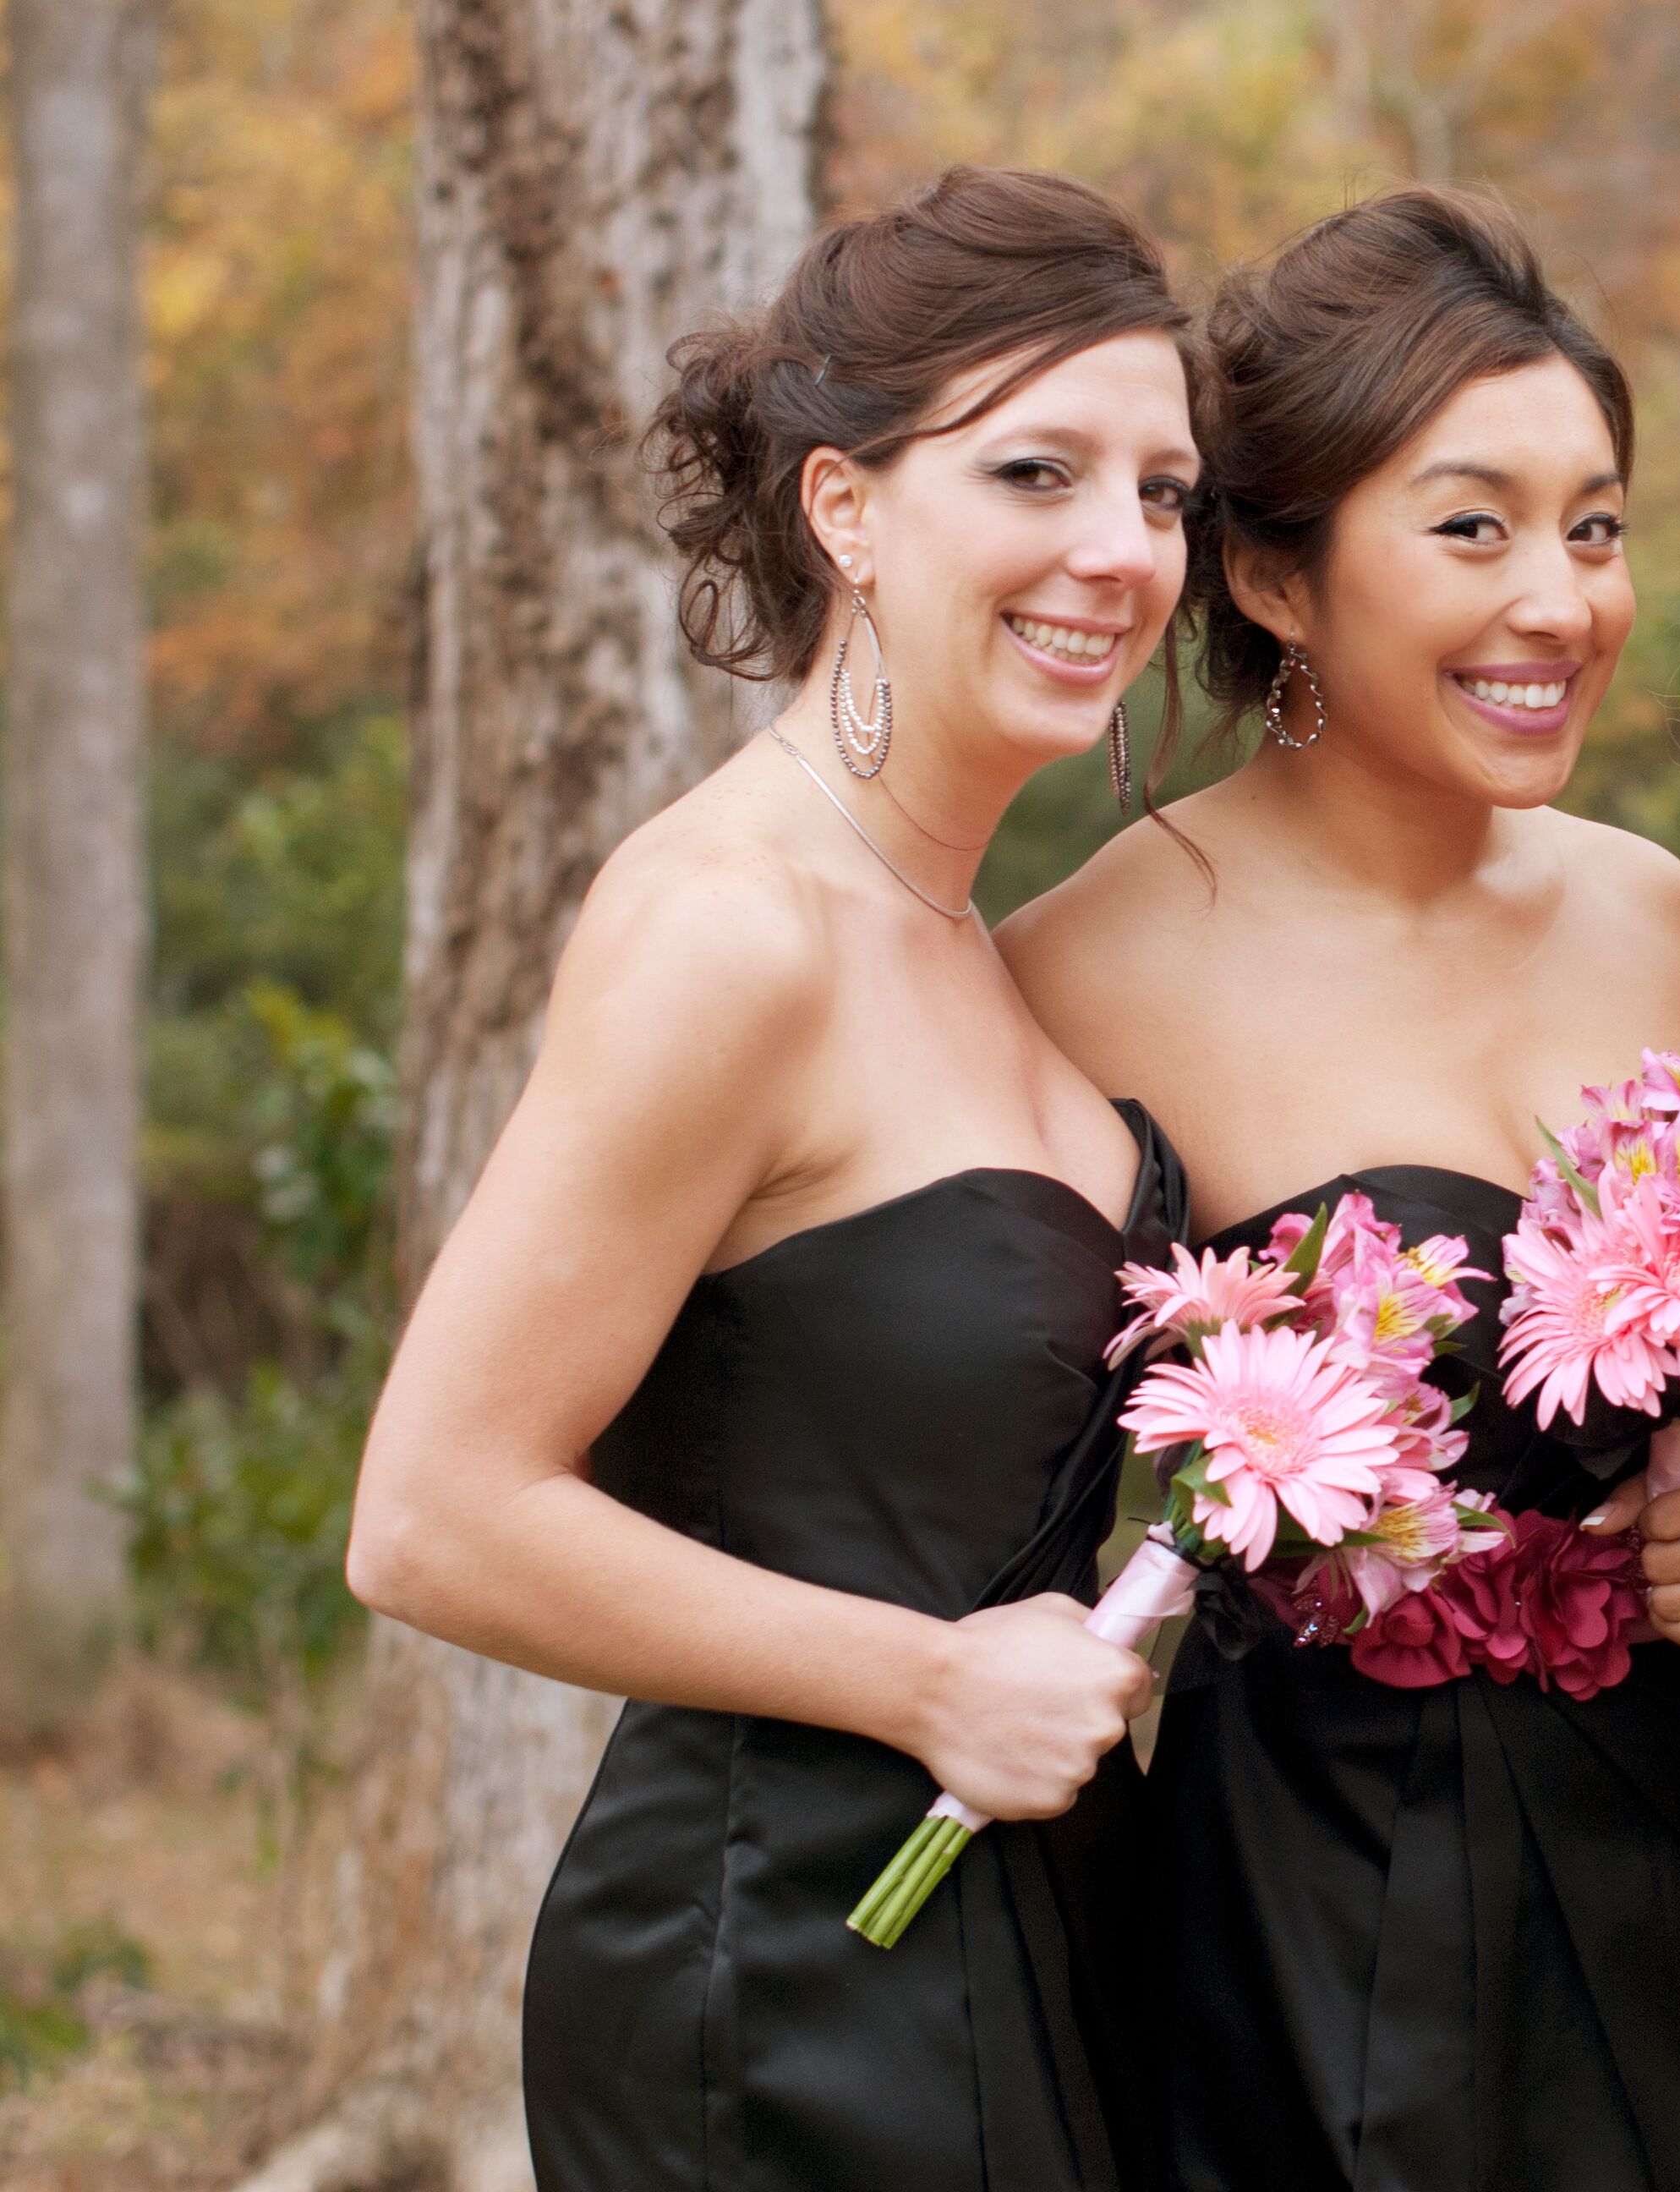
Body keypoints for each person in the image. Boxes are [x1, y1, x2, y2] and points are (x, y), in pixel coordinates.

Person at [343, 168, 1201, 2192]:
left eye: (1161, 493)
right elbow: (433, 1515)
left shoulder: (978, 938)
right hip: (786, 1971)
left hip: (1028, 1937)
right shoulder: (735, 927)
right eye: (1037, 474)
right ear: (844, 509)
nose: (1117, 551)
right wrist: (925, 1682)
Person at [999, 185, 1680, 2192]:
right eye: (1472, 527)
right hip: (1306, 1899)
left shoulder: (1664, 921)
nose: (1559, 599)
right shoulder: (1077, 970)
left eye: (1596, 524)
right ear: (1279, 573)